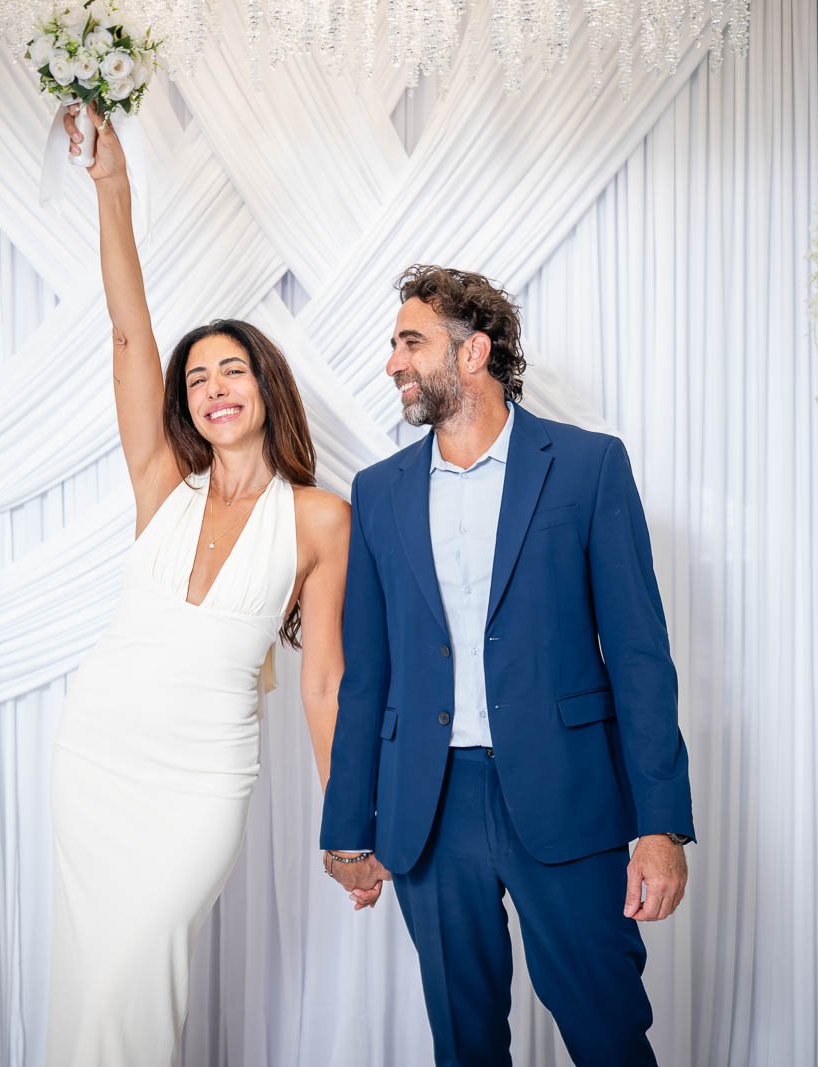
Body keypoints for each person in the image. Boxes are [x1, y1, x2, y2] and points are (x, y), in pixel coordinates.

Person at [318, 266, 695, 1065]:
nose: (392, 362)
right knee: (464, 1043)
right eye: (394, 345)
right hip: (430, 805)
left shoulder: (588, 465)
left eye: (411, 342)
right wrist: (348, 826)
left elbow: (639, 657)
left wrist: (661, 825)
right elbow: (367, 675)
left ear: (474, 351)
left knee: (607, 1031)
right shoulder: (379, 492)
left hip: (569, 794)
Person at [47, 106, 350, 1065]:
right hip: (98, 752)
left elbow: (323, 681)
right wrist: (112, 187)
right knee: (95, 980)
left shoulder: (321, 518)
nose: (214, 387)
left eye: (233, 371)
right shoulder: (160, 485)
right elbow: (129, 335)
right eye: (198, 379)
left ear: (266, 386)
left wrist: (345, 822)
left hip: (201, 776)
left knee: (141, 966)